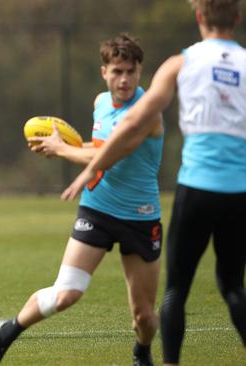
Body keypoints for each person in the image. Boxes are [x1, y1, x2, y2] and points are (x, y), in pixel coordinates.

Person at [62, 1, 246, 365]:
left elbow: (132, 124)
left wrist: (90, 166)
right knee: (233, 286)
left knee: (176, 289)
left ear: (198, 17)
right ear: (238, 18)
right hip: (239, 192)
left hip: (197, 188)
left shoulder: (182, 63)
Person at [0, 34, 164, 366]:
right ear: (103, 71)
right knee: (66, 294)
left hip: (141, 215)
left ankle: (142, 349)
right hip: (98, 208)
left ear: (140, 72)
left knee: (145, 317)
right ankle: (7, 333)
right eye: (117, 71)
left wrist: (61, 149)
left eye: (131, 72)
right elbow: (97, 147)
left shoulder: (147, 113)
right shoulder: (101, 103)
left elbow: (112, 155)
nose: (124, 80)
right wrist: (64, 148)